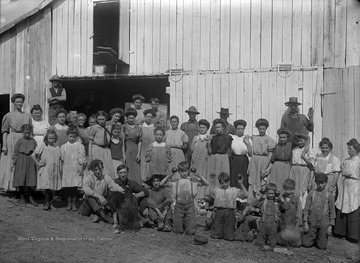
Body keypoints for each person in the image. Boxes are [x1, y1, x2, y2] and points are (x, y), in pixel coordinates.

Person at [160, 161, 209, 235]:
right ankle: (180, 224)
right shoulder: (175, 181)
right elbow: (161, 183)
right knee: (178, 231)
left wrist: (198, 175)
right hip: (179, 206)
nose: (184, 173)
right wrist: (170, 174)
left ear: (188, 170)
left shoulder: (193, 181)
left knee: (190, 232)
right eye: (182, 171)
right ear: (179, 172)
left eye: (186, 171)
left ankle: (190, 224)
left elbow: (206, 183)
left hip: (190, 205)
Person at [0, 93, 32, 191]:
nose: (19, 103)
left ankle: (21, 186)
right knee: (10, 161)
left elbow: (30, 131)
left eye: (21, 102)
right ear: (13, 103)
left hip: (23, 138)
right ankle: (10, 186)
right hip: (12, 138)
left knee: (21, 162)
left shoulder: (27, 116)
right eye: (17, 102)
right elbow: (5, 131)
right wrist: (4, 145)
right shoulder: (8, 115)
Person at [79, 159, 125, 224]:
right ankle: (105, 217)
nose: (98, 171)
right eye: (96, 170)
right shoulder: (89, 178)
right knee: (90, 197)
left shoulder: (106, 177)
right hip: (87, 208)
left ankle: (98, 216)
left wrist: (122, 191)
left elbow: (114, 186)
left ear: (102, 168)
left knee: (112, 195)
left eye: (100, 169)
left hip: (100, 206)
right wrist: (99, 197)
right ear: (92, 170)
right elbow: (85, 188)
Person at [333, 138, 360, 243]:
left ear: (356, 149)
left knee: (353, 205)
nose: (348, 150)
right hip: (345, 184)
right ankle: (340, 232)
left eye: (350, 149)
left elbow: (349, 172)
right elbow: (343, 171)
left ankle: (353, 235)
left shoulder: (358, 161)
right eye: (348, 149)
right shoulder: (346, 160)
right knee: (342, 204)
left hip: (355, 184)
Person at [210, 173, 248, 241]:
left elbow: (246, 195)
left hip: (230, 212)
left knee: (229, 237)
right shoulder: (216, 190)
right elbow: (208, 195)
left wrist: (240, 183)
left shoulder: (234, 190)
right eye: (222, 183)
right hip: (219, 211)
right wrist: (212, 182)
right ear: (220, 183)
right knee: (216, 235)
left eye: (225, 182)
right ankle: (216, 231)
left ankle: (229, 233)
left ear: (229, 181)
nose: (224, 184)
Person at [302, 173, 336, 250]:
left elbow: (332, 212)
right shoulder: (311, 193)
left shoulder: (329, 196)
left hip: (323, 223)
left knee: (322, 246)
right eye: (317, 182)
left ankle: (320, 236)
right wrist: (305, 222)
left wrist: (330, 226)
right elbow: (306, 209)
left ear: (326, 182)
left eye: (322, 183)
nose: (319, 184)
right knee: (306, 244)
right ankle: (312, 235)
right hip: (312, 221)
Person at [32, 129, 62, 211]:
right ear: (46, 138)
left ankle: (49, 202)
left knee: (51, 187)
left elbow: (59, 158)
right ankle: (46, 203)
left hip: (54, 170)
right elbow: (33, 155)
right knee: (47, 187)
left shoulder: (56, 147)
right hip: (46, 170)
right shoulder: (43, 146)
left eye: (53, 138)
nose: (52, 140)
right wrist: (38, 163)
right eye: (50, 138)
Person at [247, 118, 276, 199]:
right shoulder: (254, 138)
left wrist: (264, 167)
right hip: (254, 161)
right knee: (253, 180)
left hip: (264, 161)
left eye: (263, 129)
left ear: (266, 129)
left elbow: (270, 155)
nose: (261, 130)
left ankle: (262, 201)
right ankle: (252, 201)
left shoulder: (269, 140)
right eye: (260, 129)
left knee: (262, 181)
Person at [61, 126, 86, 212]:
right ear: (67, 136)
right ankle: (69, 203)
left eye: (74, 137)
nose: (72, 138)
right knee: (68, 186)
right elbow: (61, 158)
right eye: (70, 137)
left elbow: (82, 156)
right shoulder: (64, 146)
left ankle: (74, 202)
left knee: (74, 187)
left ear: (77, 137)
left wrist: (81, 166)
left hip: (76, 168)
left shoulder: (80, 146)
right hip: (67, 168)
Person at [12, 124, 37, 205]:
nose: (27, 135)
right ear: (22, 132)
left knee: (31, 178)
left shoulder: (33, 141)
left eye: (28, 133)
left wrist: (37, 162)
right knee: (21, 178)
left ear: (31, 132)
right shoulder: (19, 141)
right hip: (21, 160)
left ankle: (30, 197)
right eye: (25, 133)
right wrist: (14, 162)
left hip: (31, 160)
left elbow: (36, 152)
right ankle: (22, 197)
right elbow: (15, 152)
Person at [289, 133, 316, 208]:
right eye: (298, 141)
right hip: (294, 170)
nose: (300, 142)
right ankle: (294, 209)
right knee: (294, 190)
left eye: (301, 141)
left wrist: (303, 156)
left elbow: (311, 166)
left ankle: (302, 210)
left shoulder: (310, 150)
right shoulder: (294, 150)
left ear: (305, 140)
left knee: (303, 191)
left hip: (304, 171)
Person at [206, 119, 232, 194]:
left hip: (223, 158)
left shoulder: (228, 137)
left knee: (224, 177)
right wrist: (208, 143)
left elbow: (230, 149)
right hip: (214, 158)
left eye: (219, 127)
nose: (217, 129)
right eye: (216, 127)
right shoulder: (213, 138)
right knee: (214, 177)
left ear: (223, 128)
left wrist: (226, 157)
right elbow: (210, 152)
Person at [255, 183, 283, 251]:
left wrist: (280, 196)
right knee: (259, 241)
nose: (271, 195)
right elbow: (254, 204)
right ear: (266, 193)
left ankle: (270, 242)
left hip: (273, 221)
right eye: (269, 193)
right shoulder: (264, 200)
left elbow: (286, 207)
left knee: (272, 242)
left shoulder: (277, 200)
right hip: (264, 220)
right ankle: (262, 241)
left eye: (273, 194)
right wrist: (261, 197)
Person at [88, 111, 115, 179]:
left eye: (103, 119)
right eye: (99, 119)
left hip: (106, 150)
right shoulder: (94, 128)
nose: (101, 121)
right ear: (96, 119)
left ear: (106, 119)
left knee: (107, 168)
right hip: (97, 149)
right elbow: (90, 141)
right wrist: (90, 155)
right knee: (98, 167)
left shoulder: (109, 127)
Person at [277, 179, 302, 247]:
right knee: (282, 240)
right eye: (285, 189)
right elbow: (278, 211)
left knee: (295, 242)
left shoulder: (296, 199)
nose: (287, 191)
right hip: (283, 223)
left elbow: (299, 213)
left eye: (290, 189)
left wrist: (298, 224)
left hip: (293, 224)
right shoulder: (281, 198)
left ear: (293, 189)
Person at [191, 119, 211, 199]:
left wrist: (208, 141)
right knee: (195, 179)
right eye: (201, 127)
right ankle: (194, 197)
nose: (202, 129)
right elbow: (192, 149)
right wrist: (195, 142)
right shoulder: (195, 137)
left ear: (207, 129)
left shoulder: (209, 138)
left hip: (204, 162)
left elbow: (210, 151)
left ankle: (203, 198)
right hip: (196, 161)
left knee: (203, 178)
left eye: (204, 127)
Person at [229, 119, 252, 189]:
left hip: (243, 160)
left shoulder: (247, 139)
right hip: (233, 160)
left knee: (243, 177)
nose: (240, 130)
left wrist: (248, 144)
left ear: (244, 129)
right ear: (235, 129)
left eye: (242, 129)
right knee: (233, 177)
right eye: (238, 129)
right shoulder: (232, 137)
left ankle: (242, 197)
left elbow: (250, 154)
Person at [123, 108, 142, 183]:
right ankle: (127, 183)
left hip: (135, 148)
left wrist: (139, 154)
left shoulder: (139, 128)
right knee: (127, 165)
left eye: (132, 118)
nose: (131, 119)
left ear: (135, 118)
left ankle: (136, 183)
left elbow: (140, 141)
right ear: (127, 119)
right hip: (126, 148)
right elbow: (122, 140)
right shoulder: (123, 127)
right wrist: (123, 153)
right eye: (129, 118)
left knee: (135, 166)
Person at [140, 109, 156, 181]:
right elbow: (139, 140)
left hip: (152, 149)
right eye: (148, 116)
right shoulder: (141, 127)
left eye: (151, 117)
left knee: (151, 164)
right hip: (143, 148)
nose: (149, 118)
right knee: (143, 164)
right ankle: (143, 180)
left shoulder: (154, 128)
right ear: (145, 117)